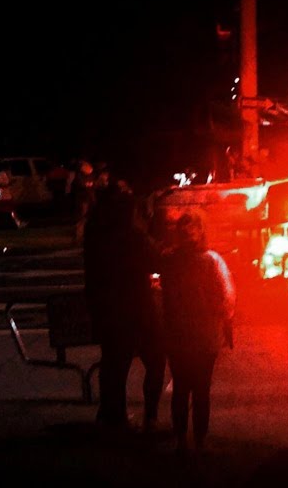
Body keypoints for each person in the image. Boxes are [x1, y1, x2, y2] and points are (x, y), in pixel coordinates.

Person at [83, 183, 165, 432]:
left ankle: (112, 414)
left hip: (107, 310)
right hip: (138, 310)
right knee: (156, 360)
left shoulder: (95, 237)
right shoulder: (133, 238)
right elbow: (157, 261)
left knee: (113, 365)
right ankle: (150, 417)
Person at [160, 209, 236, 454]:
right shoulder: (212, 261)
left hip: (177, 335)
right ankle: (201, 440)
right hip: (205, 335)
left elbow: (163, 296)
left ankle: (181, 438)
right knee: (201, 389)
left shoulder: (169, 261)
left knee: (181, 388)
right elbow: (226, 298)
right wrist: (224, 321)